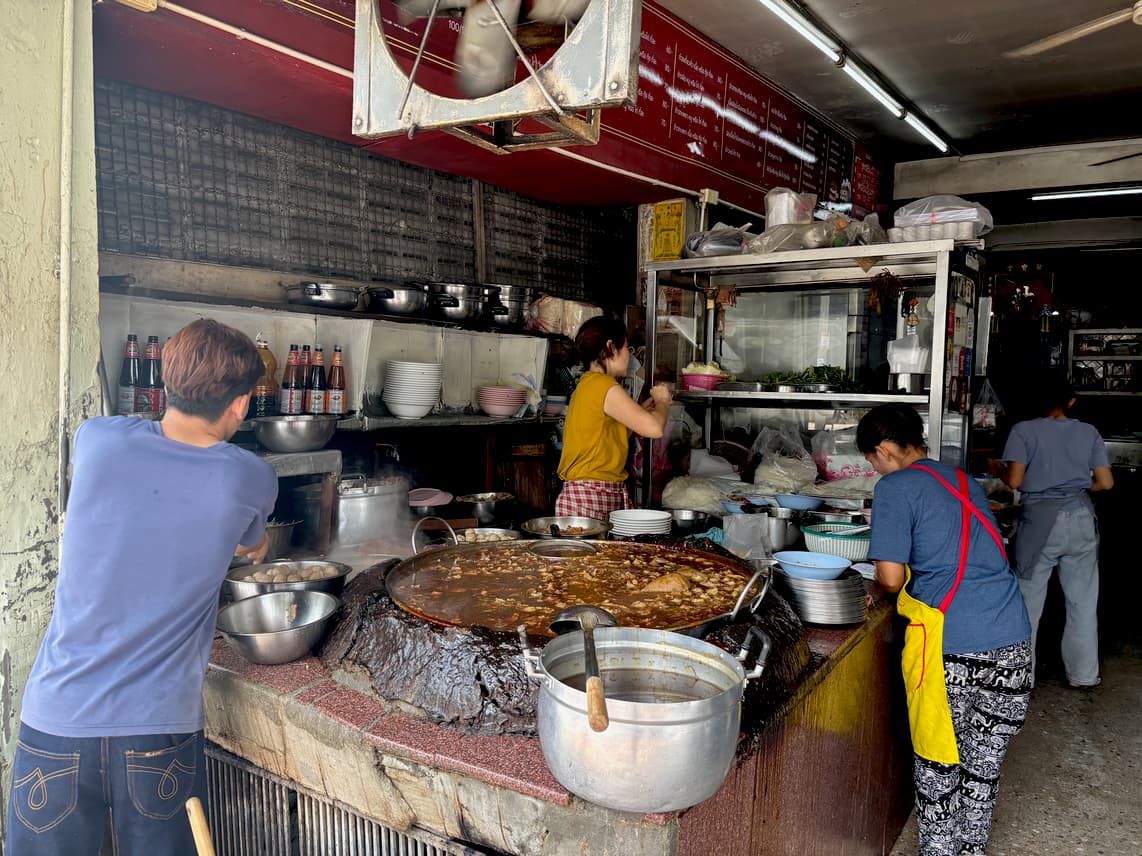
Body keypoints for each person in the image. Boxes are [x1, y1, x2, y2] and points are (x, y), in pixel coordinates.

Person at [7, 319, 279, 855]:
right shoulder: (247, 477)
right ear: (242, 405)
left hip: (56, 724)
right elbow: (253, 546)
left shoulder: (97, 439)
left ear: (163, 383)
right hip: (158, 733)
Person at [857, 404, 1031, 856]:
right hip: (1011, 639)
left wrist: (874, 584)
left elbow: (892, 578)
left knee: (938, 769)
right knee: (983, 767)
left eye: (871, 460)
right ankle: (971, 850)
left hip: (951, 647)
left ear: (883, 451)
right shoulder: (961, 479)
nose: (874, 468)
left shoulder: (894, 487)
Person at [1000, 375, 1112, 688]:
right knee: (1083, 602)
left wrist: (999, 468)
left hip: (1041, 523)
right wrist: (1075, 488)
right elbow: (1106, 483)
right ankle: (1084, 675)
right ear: (1071, 401)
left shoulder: (1023, 430)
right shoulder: (1088, 432)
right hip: (1081, 519)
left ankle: (1022, 677)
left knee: (1029, 603)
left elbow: (1015, 482)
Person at [555, 316, 673, 519]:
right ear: (610, 347)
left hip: (595, 492)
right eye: (627, 348)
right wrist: (662, 401)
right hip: (590, 495)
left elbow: (611, 436)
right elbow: (654, 428)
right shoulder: (602, 385)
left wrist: (641, 410)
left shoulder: (589, 385)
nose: (629, 355)